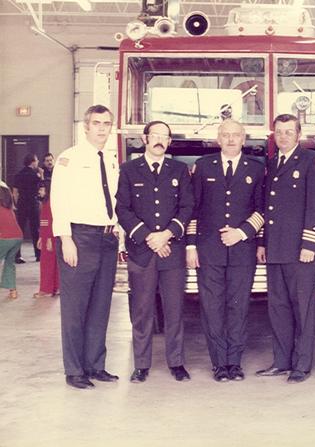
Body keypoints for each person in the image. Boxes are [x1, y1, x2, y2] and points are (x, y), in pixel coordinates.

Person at [115, 120, 194, 383]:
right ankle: (141, 364)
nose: (160, 140)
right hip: (142, 251)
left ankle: (176, 362)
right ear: (145, 138)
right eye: (155, 135)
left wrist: (166, 235)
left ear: (170, 141)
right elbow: (122, 209)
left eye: (165, 136)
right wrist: (149, 237)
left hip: (171, 249)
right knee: (142, 310)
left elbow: (187, 207)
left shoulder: (179, 170)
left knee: (174, 310)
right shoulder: (128, 170)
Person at [187, 119, 265, 382]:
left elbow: (263, 209)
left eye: (236, 135)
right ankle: (219, 363)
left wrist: (242, 232)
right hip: (209, 250)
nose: (231, 140)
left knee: (238, 306)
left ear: (244, 139)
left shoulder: (256, 169)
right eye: (225, 135)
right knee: (212, 307)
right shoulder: (203, 166)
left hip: (242, 249)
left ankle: (235, 361)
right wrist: (191, 245)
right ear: (218, 139)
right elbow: (192, 209)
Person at [51, 104, 120, 389]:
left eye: (106, 123)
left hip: (106, 238)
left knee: (101, 305)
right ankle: (75, 370)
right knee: (75, 307)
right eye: (96, 123)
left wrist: (117, 230)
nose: (102, 128)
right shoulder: (70, 158)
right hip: (79, 238)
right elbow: (59, 199)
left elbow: (114, 200)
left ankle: (95, 365)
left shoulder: (112, 159)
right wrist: (65, 238)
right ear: (86, 126)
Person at [255, 114, 315, 383]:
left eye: (289, 131)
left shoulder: (311, 162)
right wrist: (262, 242)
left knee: (303, 308)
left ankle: (302, 365)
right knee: (278, 308)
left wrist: (310, 244)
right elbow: (266, 207)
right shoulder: (273, 163)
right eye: (279, 132)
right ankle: (282, 361)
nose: (283, 136)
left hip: (301, 250)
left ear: (299, 134)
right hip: (276, 249)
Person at [12, 153, 43, 263]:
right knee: (36, 230)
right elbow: (42, 188)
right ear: (32, 161)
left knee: (20, 230)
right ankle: (38, 255)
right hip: (33, 204)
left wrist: (16, 204)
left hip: (22, 204)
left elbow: (15, 192)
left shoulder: (19, 174)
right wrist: (42, 175)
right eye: (37, 160)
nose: (38, 162)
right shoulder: (35, 175)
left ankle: (17, 256)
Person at [33, 181, 59, 298]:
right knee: (54, 263)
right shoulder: (47, 203)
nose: (39, 191)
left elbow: (51, 222)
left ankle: (46, 290)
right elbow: (44, 222)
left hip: (49, 237)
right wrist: (41, 237)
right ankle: (56, 287)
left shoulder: (48, 203)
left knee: (46, 264)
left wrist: (48, 238)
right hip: (47, 236)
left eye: (42, 189)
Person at [0, 182, 22, 300]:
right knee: (9, 264)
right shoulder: (9, 208)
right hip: (17, 238)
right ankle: (13, 291)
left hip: (5, 238)